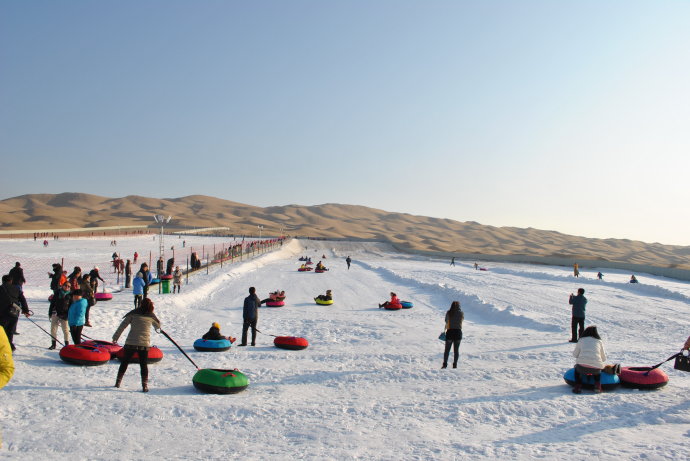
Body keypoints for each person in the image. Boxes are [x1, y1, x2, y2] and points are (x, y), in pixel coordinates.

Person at [112, 298, 161, 392]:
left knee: (125, 362)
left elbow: (122, 326)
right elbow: (158, 327)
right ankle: (144, 385)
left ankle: (118, 382)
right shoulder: (151, 316)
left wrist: (115, 337)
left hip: (130, 343)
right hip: (144, 344)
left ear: (140, 304)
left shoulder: (133, 314)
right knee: (143, 364)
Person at [572, 325, 607, 394]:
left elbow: (575, 355)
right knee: (598, 368)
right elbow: (603, 358)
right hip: (596, 369)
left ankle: (578, 386)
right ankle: (597, 385)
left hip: (581, 367)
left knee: (577, 369)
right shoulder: (599, 341)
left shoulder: (581, 340)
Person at [0, 275, 31, 351]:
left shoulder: (1, 288)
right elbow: (23, 299)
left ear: (2, 281)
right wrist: (26, 310)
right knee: (10, 331)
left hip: (3, 313)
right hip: (14, 313)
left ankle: (5, 347)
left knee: (2, 331)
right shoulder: (17, 289)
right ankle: (10, 346)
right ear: (11, 281)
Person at [48, 281, 71, 349]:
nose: (67, 287)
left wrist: (68, 315)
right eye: (66, 285)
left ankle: (67, 344)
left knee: (66, 330)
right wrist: (50, 312)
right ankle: (53, 344)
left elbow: (71, 306)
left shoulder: (70, 295)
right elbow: (52, 303)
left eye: (69, 286)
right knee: (53, 329)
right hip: (56, 313)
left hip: (65, 314)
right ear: (63, 285)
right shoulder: (57, 293)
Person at [442, 301, 464, 369]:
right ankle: (455, 365)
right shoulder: (461, 313)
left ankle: (445, 365)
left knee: (447, 350)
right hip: (458, 333)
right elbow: (462, 320)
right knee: (456, 351)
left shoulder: (449, 312)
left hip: (450, 332)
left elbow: (446, 320)